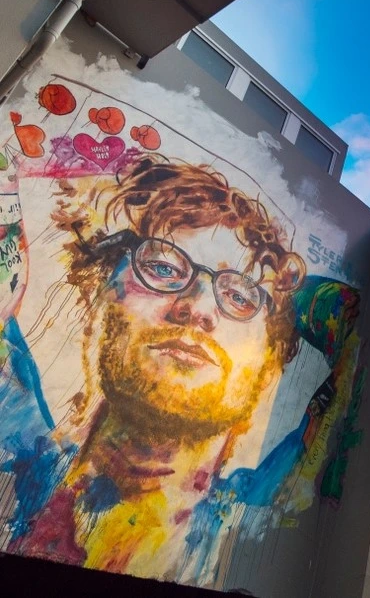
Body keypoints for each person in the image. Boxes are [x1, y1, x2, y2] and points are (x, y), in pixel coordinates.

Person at [0, 156, 305, 580]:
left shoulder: (263, 512)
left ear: (268, 367)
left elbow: (355, 320)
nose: (197, 309)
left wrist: (287, 288)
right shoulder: (15, 452)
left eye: (240, 297)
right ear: (96, 300)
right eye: (162, 268)